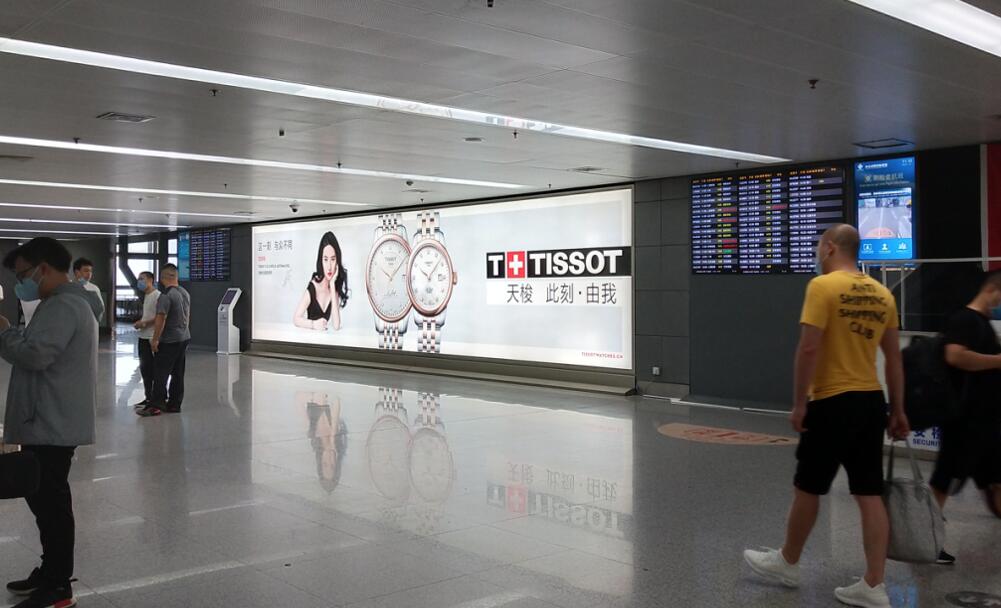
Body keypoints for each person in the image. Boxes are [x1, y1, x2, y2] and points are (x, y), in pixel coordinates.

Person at [744, 225, 909, 608]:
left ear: (830, 247)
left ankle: (788, 562)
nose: (818, 254)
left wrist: (800, 403)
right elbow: (894, 360)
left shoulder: (822, 287)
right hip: (870, 402)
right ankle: (874, 584)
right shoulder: (883, 294)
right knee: (869, 493)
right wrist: (898, 409)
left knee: (808, 487)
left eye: (819, 246)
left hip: (832, 402)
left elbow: (808, 349)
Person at [0, 237, 99, 608]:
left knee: (51, 504)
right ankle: (50, 571)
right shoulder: (60, 303)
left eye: (23, 274)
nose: (20, 282)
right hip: (48, 418)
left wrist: (4, 330)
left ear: (43, 268)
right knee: (44, 502)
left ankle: (58, 585)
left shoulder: (64, 306)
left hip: (52, 423)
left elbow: (35, 355)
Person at [930, 270, 1001, 538]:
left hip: (986, 418)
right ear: (992, 290)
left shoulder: (982, 323)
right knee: (944, 478)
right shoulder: (963, 319)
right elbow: (955, 356)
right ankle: (928, 533)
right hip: (964, 417)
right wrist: (997, 361)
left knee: (995, 475)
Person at [137, 264, 190, 417]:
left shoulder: (166, 296)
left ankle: (156, 405)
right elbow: (188, 316)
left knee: (160, 372)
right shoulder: (185, 293)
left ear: (162, 278)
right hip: (183, 337)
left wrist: (155, 340)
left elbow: (161, 318)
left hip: (169, 340)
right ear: (176, 276)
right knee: (178, 373)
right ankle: (174, 404)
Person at [293, 231, 348, 331]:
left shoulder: (334, 290)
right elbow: (296, 319)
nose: (329, 267)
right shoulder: (313, 287)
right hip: (308, 338)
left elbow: (336, 326)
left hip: (324, 339)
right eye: (325, 259)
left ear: (337, 261)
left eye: (333, 259)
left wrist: (332, 284)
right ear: (321, 261)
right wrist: (314, 324)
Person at [131, 271, 161, 409]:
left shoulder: (157, 295)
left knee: (152, 369)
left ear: (150, 280)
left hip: (151, 337)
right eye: (139, 279)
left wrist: (144, 323)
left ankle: (156, 398)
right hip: (142, 337)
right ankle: (148, 397)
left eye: (142, 279)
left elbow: (160, 316)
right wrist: (141, 322)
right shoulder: (146, 296)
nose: (139, 282)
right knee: (145, 369)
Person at [72, 257, 105, 322]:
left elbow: (101, 309)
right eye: (86, 271)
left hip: (90, 323)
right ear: (77, 272)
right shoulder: (69, 286)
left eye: (90, 271)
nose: (89, 274)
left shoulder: (94, 288)